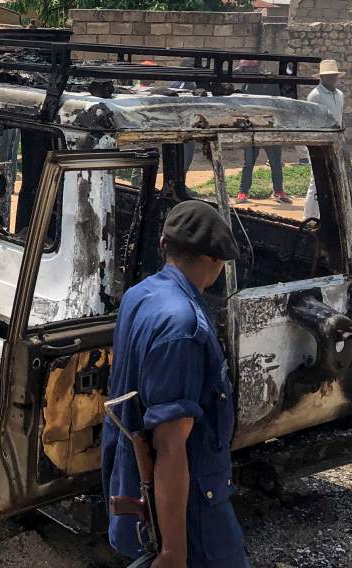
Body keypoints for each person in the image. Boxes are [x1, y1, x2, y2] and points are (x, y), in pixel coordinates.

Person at [102, 200, 246, 568]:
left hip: (139, 486)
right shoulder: (183, 326)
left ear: (164, 246)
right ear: (215, 260)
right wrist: (173, 553)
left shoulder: (139, 295)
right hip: (191, 506)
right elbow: (169, 445)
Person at [234, 60, 291, 205]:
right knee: (249, 162)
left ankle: (278, 191)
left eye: (245, 69)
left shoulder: (269, 81)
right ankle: (243, 192)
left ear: (254, 68)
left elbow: (276, 104)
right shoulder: (247, 84)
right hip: (252, 129)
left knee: (275, 162)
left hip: (269, 128)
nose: (243, 72)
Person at [303, 60, 345, 220]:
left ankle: (329, 216)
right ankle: (309, 218)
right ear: (322, 78)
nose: (332, 78)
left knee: (334, 180)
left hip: (336, 142)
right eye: (328, 76)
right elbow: (310, 121)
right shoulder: (315, 96)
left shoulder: (340, 95)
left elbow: (340, 119)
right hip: (319, 142)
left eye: (333, 75)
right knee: (316, 181)